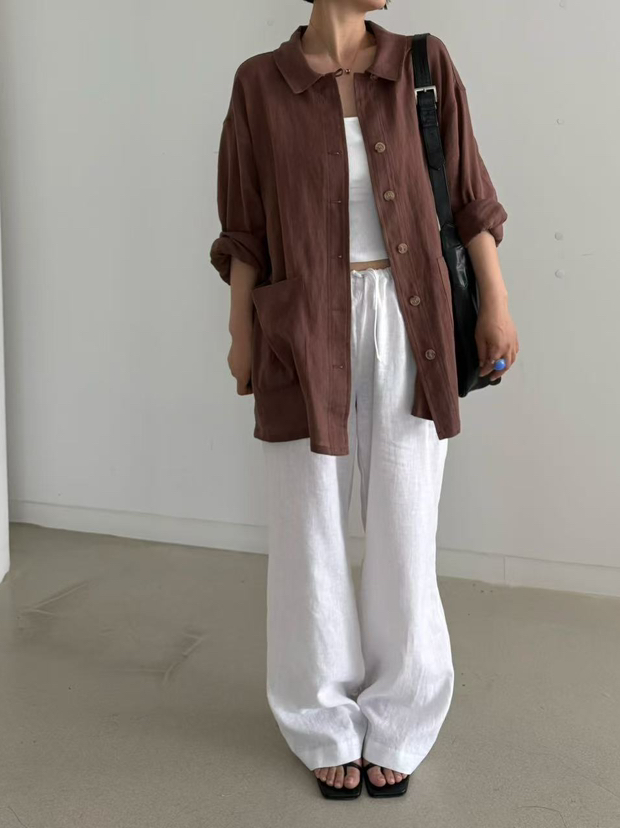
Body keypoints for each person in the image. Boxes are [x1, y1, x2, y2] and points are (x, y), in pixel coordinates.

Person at [209, 0, 518, 799]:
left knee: (405, 525)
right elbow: (244, 227)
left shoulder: (422, 63)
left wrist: (494, 302)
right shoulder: (260, 84)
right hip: (300, 322)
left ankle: (402, 717)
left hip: (411, 320)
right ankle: (319, 720)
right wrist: (241, 332)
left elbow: (469, 196)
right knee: (307, 526)